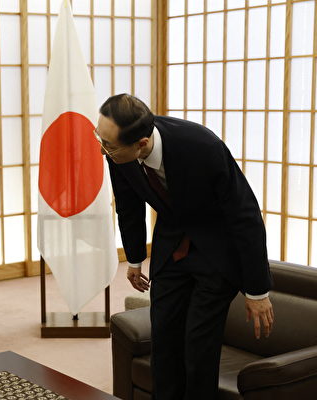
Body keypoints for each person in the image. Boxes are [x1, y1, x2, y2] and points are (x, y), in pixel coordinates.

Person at [95, 94, 274, 399]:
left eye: (108, 145)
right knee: (164, 338)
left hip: (216, 251)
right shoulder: (118, 153)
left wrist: (257, 291)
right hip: (171, 248)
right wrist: (135, 259)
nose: (103, 150)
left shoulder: (201, 146)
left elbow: (244, 214)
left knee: (198, 346)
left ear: (141, 144)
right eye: (100, 139)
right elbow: (128, 205)